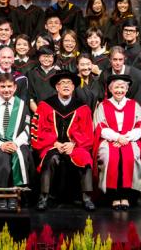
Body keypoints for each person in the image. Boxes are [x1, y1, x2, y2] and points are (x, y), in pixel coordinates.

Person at [32, 70, 96, 211]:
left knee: (85, 158)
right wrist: (54, 143)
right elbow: (38, 130)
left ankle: (87, 198)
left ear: (73, 87)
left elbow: (87, 132)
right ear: (57, 87)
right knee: (50, 159)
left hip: (75, 146)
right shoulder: (45, 106)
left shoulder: (83, 107)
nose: (66, 86)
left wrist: (73, 143)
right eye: (62, 83)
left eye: (69, 83)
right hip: (51, 145)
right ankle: (44, 197)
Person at [93, 74, 141, 210]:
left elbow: (140, 126)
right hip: (109, 139)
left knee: (131, 156)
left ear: (127, 89)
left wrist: (126, 138)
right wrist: (117, 137)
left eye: (122, 87)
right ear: (110, 89)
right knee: (109, 156)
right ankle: (113, 196)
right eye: (116, 87)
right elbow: (100, 126)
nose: (119, 90)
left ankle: (127, 196)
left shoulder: (134, 105)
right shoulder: (103, 106)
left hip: (129, 139)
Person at [0, 73, 34, 210]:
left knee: (20, 156)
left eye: (9, 86)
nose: (6, 90)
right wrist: (1, 144)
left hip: (18, 142)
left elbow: (27, 128)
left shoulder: (22, 105)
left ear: (15, 87)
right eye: (3, 86)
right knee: (1, 157)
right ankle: (1, 196)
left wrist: (15, 143)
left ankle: (14, 195)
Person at [27, 46, 59, 113]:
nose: (46, 59)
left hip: (55, 113)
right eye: (44, 56)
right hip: (37, 113)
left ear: (54, 58)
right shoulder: (31, 74)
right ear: (39, 58)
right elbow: (30, 98)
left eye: (49, 56)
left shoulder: (59, 74)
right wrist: (39, 114)